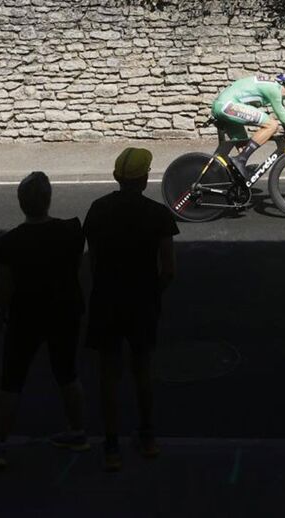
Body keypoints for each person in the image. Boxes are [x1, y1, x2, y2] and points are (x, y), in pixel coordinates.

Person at [0, 171, 88, 468]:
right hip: (65, 310)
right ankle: (77, 431)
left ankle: (0, 444)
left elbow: (5, 287)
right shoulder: (71, 231)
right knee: (67, 373)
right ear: (48, 199)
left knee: (11, 380)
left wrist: (0, 313)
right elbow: (76, 266)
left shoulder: (10, 243)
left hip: (26, 315)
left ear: (21, 203)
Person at [83, 148, 179, 471]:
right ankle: (148, 437)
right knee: (142, 369)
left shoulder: (98, 209)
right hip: (141, 300)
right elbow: (168, 269)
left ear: (116, 177)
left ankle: (111, 446)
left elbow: (93, 260)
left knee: (108, 374)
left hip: (107, 298)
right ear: (145, 179)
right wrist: (153, 293)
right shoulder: (158, 214)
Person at [211, 71, 285, 183]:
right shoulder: (274, 90)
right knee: (272, 125)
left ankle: (233, 178)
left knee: (244, 147)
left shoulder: (275, 86)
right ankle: (240, 160)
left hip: (224, 104)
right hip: (227, 106)